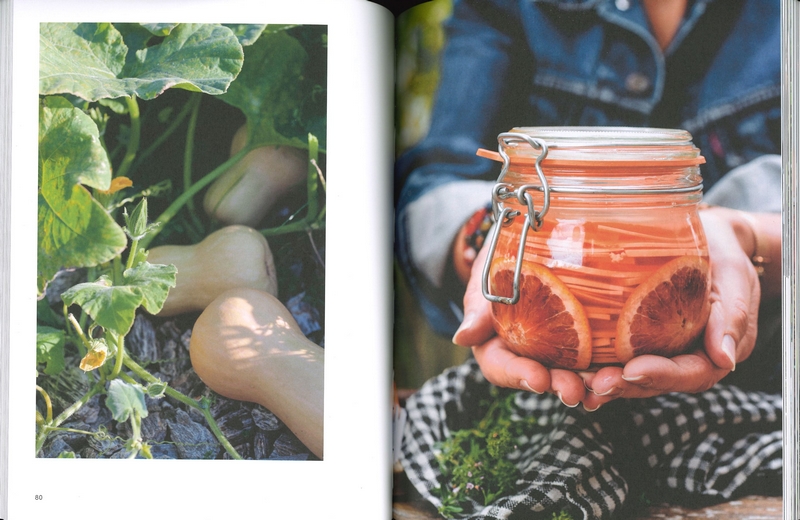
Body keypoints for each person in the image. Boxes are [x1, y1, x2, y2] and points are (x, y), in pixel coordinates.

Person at [394, 0, 782, 410]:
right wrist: (487, 234)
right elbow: (435, 183)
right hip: (534, 409)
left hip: (769, 396)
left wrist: (749, 235)